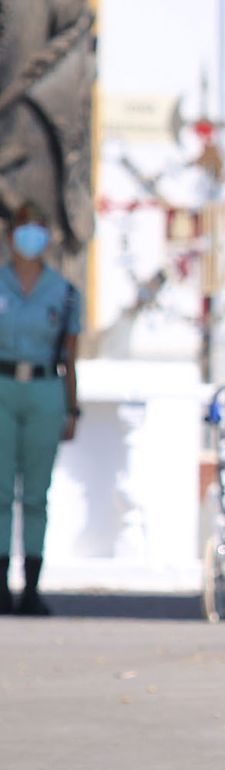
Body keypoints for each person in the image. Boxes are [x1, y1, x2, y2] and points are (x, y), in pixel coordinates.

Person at [0, 205, 81, 615]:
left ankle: (31, 587)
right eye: (23, 228)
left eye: (37, 228)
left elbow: (70, 355)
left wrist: (72, 408)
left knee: (35, 494)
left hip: (46, 388)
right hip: (3, 386)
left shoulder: (64, 292)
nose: (29, 237)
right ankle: (0, 585)